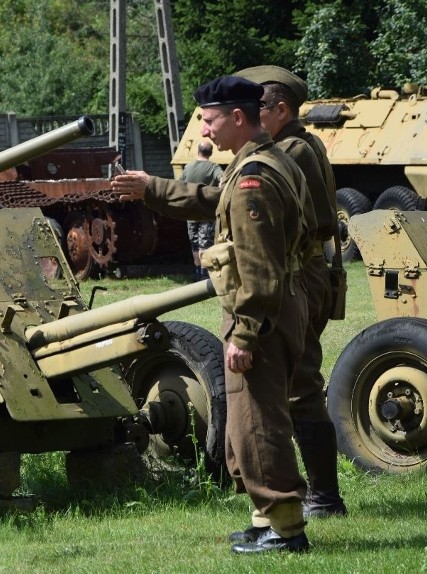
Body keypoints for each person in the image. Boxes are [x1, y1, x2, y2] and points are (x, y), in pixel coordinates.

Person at [111, 75, 316, 554]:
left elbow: (260, 269)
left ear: (238, 118)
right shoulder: (265, 162)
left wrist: (244, 335)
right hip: (276, 308)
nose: (204, 131)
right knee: (248, 421)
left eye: (209, 119)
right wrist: (152, 189)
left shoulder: (253, 179)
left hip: (261, 315)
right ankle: (265, 519)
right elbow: (212, 201)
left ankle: (286, 530)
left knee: (260, 424)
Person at [228, 66, 346, 536]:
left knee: (299, 384)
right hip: (311, 269)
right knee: (299, 381)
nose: (252, 119)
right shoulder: (304, 143)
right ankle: (318, 494)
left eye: (259, 109)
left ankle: (322, 495)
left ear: (281, 110)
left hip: (301, 271)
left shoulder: (292, 149)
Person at [180, 141, 223, 280]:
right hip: (207, 212)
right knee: (205, 243)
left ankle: (197, 271)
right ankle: (205, 275)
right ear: (210, 153)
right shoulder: (213, 167)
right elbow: (222, 179)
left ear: (198, 151)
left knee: (195, 243)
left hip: (190, 211)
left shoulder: (188, 167)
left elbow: (180, 184)